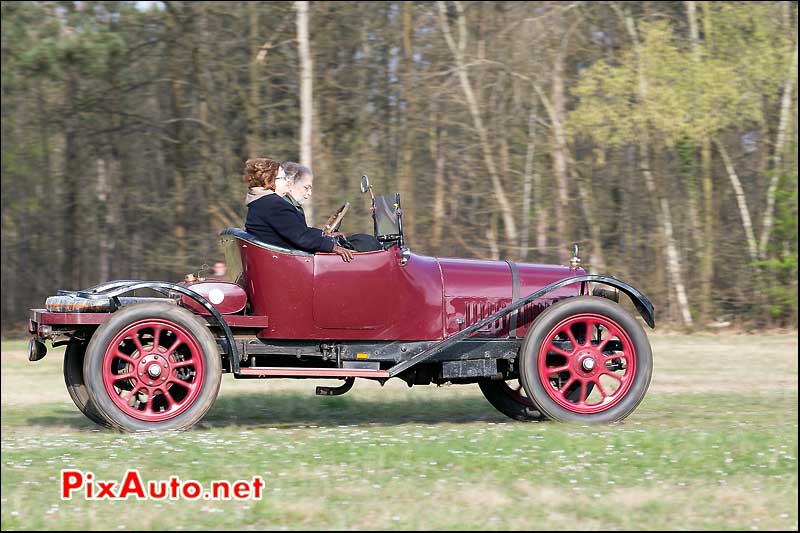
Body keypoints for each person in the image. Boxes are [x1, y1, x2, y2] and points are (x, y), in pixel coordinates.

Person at [243, 158, 353, 262]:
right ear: (270, 181)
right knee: (362, 244)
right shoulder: (274, 205)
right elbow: (301, 237)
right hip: (290, 264)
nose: (287, 181)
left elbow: (297, 231)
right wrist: (334, 247)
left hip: (281, 260)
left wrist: (323, 235)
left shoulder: (260, 203)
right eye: (283, 178)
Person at [281, 162, 382, 252]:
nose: (309, 193)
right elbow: (301, 238)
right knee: (368, 244)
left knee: (360, 239)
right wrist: (332, 246)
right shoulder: (283, 207)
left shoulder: (292, 206)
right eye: (306, 188)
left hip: (300, 253)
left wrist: (324, 234)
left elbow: (303, 232)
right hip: (300, 259)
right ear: (291, 184)